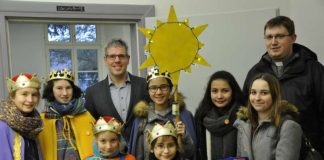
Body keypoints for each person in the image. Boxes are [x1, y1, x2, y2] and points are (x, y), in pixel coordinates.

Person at [242, 15, 324, 156]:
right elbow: (246, 114)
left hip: (306, 153)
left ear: (293, 38)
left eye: (279, 36)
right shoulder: (255, 73)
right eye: (269, 37)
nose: (273, 42)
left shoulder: (314, 70)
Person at [85, 38, 149, 142]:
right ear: (105, 60)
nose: (117, 60)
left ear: (128, 59)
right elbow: (90, 128)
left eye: (121, 56)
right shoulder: (92, 92)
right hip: (110, 153)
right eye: (112, 56)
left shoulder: (145, 85)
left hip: (141, 150)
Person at [129, 67, 196, 160]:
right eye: (153, 88)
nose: (159, 92)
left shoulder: (183, 116)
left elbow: (191, 153)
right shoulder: (141, 119)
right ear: (148, 91)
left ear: (171, 89)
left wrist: (184, 135)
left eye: (163, 87)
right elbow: (136, 153)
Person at [235, 73, 302, 160]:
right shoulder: (243, 125)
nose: (257, 98)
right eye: (253, 92)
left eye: (264, 93)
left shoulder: (289, 126)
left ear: (275, 96)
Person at [38, 68, 95, 160]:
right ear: (51, 90)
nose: (64, 93)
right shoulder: (42, 120)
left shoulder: (86, 116)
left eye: (68, 88)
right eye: (59, 88)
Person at [194, 71, 245, 160]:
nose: (219, 96)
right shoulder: (201, 117)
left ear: (233, 92)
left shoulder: (244, 117)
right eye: (214, 91)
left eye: (225, 91)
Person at [0, 73, 43, 159]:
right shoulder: (2, 125)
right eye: (24, 94)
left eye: (34, 95)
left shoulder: (34, 123)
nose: (30, 100)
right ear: (12, 96)